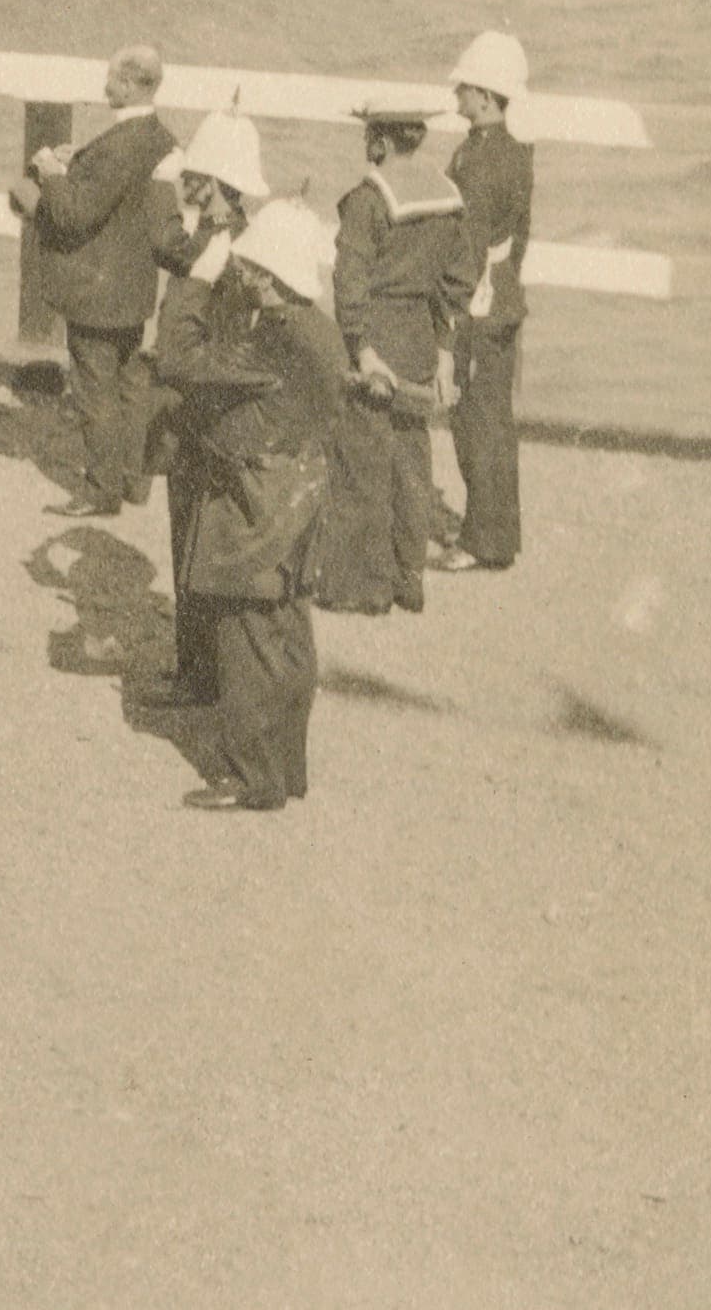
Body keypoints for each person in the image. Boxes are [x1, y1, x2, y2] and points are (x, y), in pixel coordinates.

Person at [156, 202, 350, 812]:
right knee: (287, 632)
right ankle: (287, 767)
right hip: (297, 490)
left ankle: (250, 778)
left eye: (252, 270)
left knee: (246, 635)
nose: (244, 278)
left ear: (272, 275)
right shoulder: (312, 327)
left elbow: (180, 361)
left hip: (257, 501)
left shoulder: (276, 339)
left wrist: (194, 279)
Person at [320, 103, 479, 616]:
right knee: (412, 459)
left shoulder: (370, 199)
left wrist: (362, 348)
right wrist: (446, 356)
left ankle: (362, 586)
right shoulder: (447, 196)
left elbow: (350, 281)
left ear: (381, 142)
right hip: (418, 336)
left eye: (370, 134)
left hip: (377, 330)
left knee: (361, 457)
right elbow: (459, 284)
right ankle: (408, 578)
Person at [140, 110, 267, 711]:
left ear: (210, 181)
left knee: (191, 542)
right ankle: (208, 670)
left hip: (196, 409)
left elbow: (179, 326)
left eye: (193, 172)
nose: (185, 177)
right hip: (221, 407)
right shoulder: (239, 235)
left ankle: (198, 676)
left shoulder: (216, 245)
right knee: (203, 544)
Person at [21, 47, 179, 514]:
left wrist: (52, 175)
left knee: (95, 389)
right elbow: (121, 191)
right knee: (130, 384)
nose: (105, 86)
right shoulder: (157, 136)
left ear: (129, 84)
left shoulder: (124, 140)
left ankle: (101, 490)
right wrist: (81, 162)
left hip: (97, 290)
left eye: (110, 79)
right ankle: (133, 480)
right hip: (132, 285)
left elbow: (73, 215)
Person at [441, 31, 535, 572]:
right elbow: (517, 237)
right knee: (495, 419)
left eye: (465, 88)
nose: (457, 95)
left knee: (476, 421)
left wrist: (450, 312)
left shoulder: (476, 160)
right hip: (502, 295)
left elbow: (466, 243)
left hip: (477, 303)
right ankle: (496, 532)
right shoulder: (517, 153)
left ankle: (482, 539)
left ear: (484, 95)